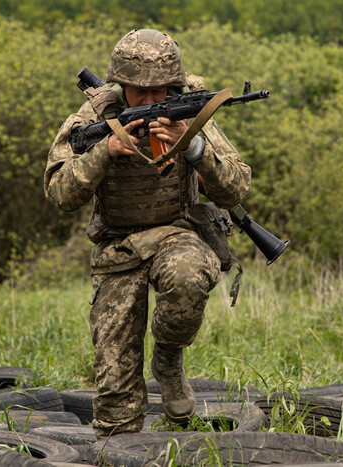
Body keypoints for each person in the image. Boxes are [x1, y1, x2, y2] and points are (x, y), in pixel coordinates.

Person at [44, 29, 251, 438]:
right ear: (122, 86)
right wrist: (105, 152)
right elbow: (59, 193)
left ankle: (169, 360)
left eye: (161, 91)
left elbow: (237, 187)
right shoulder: (90, 121)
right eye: (141, 92)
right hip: (118, 248)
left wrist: (191, 148)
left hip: (177, 233)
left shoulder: (188, 116)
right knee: (116, 405)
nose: (152, 102)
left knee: (191, 273)